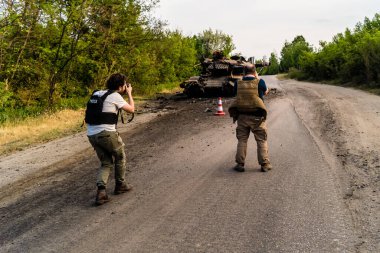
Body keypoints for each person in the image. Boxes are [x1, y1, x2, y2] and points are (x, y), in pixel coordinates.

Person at [86, 73, 135, 206]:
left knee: (106, 162)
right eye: (125, 85)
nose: (126, 86)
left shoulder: (98, 93)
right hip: (106, 134)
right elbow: (131, 109)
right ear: (120, 86)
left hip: (91, 134)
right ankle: (120, 185)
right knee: (120, 156)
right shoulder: (115, 96)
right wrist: (129, 93)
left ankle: (101, 192)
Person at [228, 64, 272, 173]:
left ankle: (240, 164)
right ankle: (265, 164)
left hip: (242, 116)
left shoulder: (238, 83)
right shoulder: (260, 82)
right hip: (257, 117)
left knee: (242, 140)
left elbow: (235, 94)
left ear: (243, 72)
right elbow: (265, 91)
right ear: (255, 71)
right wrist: (257, 78)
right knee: (261, 140)